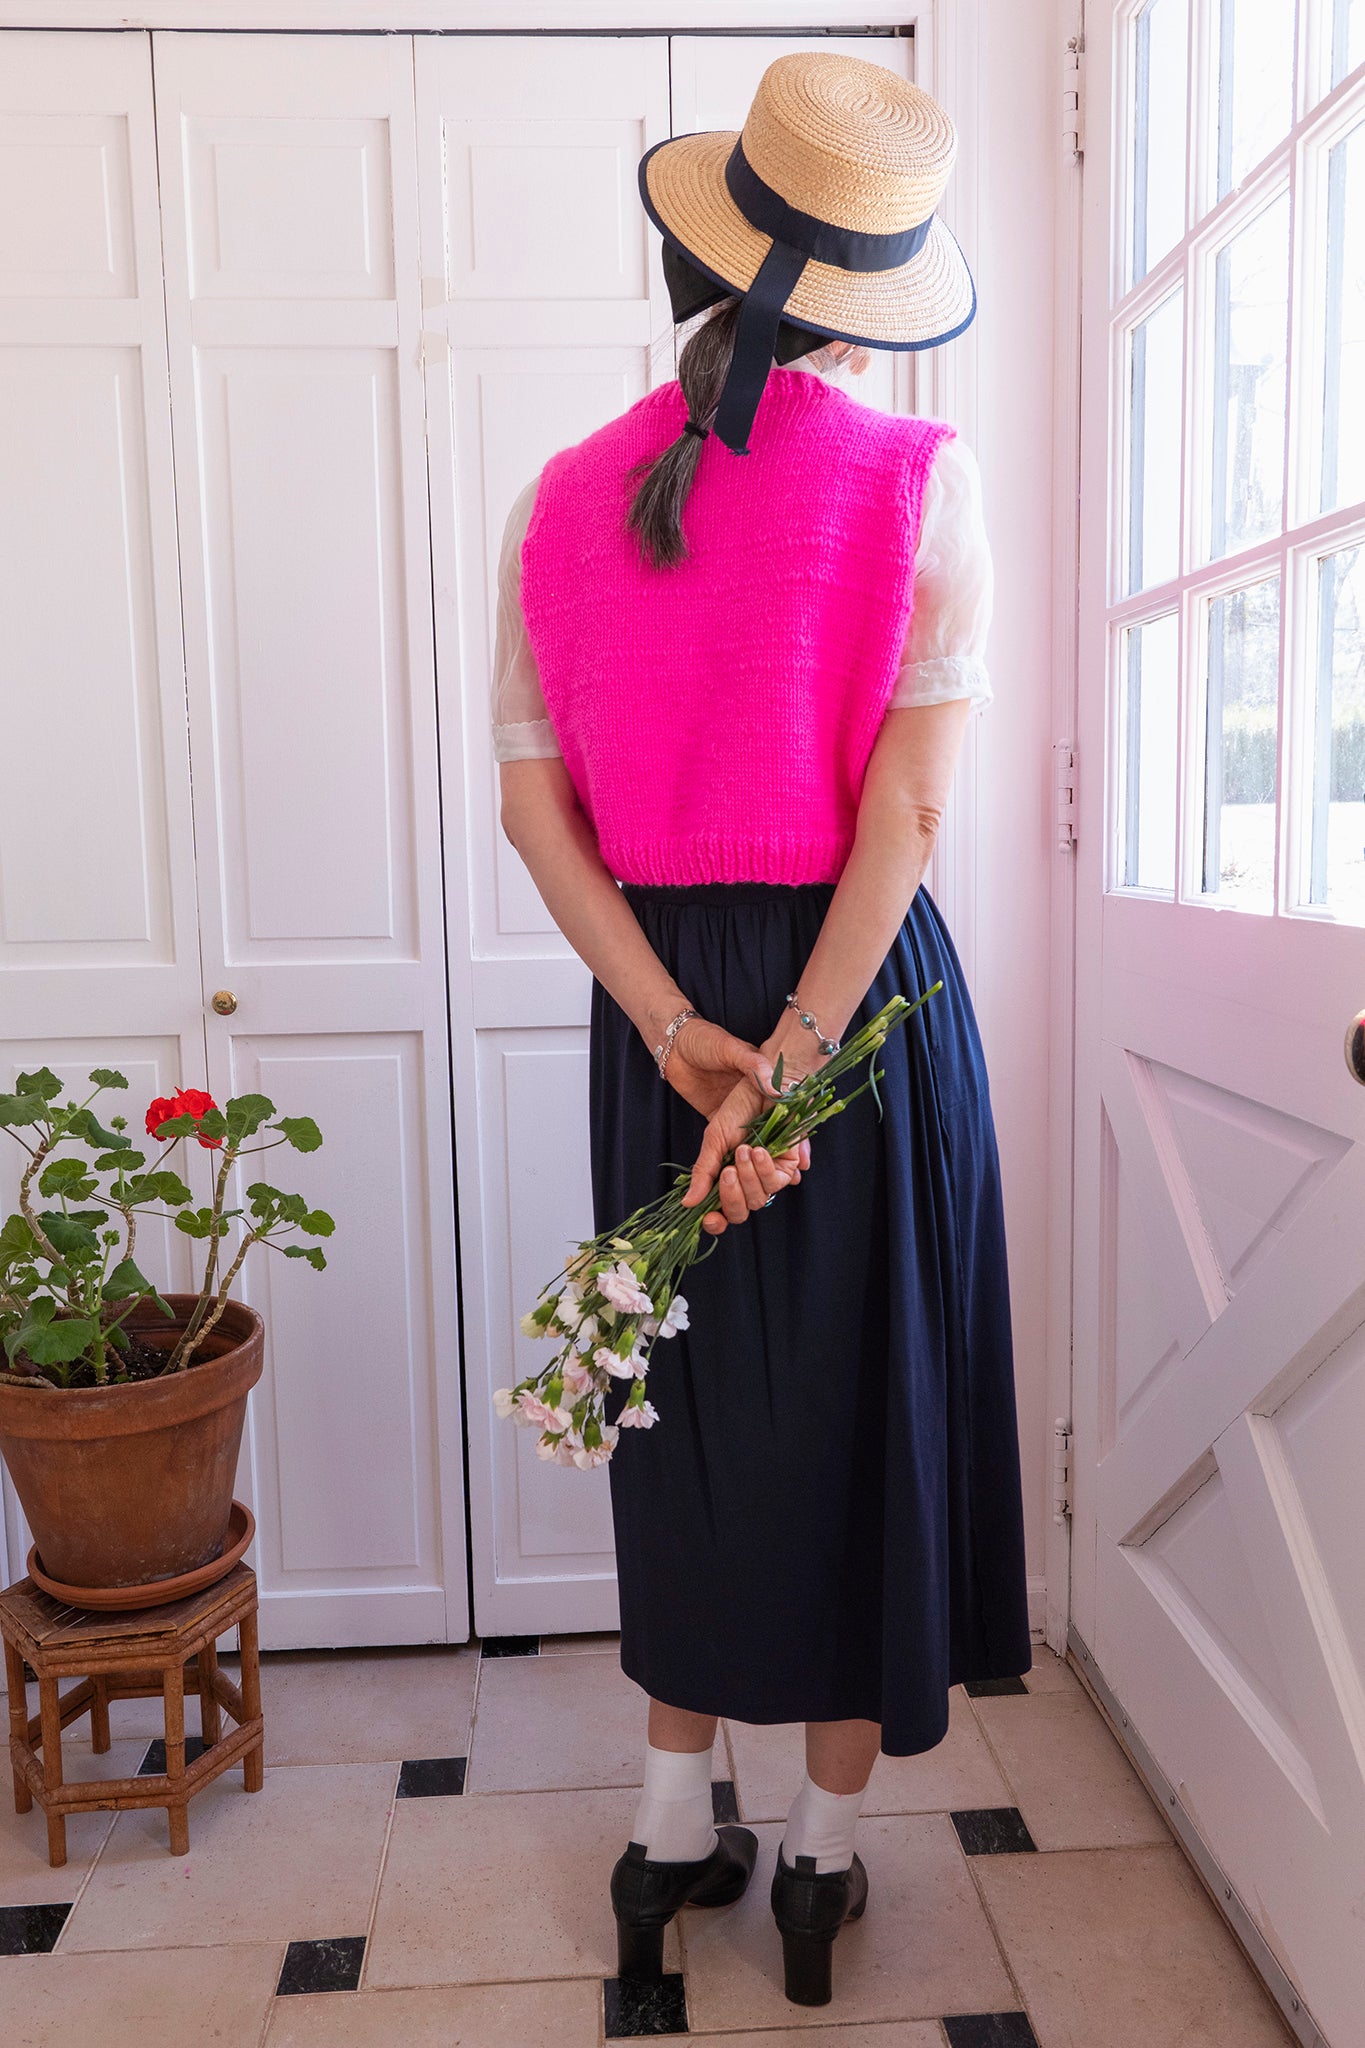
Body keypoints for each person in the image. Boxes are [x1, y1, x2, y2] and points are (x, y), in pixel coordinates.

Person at [493, 49, 1031, 2010]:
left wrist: (678, 1036)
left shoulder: (559, 497)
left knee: (686, 1406)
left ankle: (663, 1836)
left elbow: (531, 810)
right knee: (857, 1416)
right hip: (856, 1006)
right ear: (870, 301)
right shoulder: (917, 482)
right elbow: (903, 820)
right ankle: (814, 1862)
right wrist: (794, 1061)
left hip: (656, 1013)